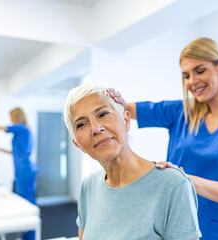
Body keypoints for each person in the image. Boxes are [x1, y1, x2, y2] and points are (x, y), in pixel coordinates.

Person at [107, 37, 218, 239]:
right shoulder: (180, 112)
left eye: (200, 71)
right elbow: (127, 109)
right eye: (186, 76)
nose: (192, 81)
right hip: (174, 225)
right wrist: (113, 100)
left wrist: (183, 179)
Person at [64, 83, 201, 240]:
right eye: (82, 124)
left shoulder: (173, 184)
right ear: (78, 144)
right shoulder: (88, 186)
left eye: (102, 114)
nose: (95, 128)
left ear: (126, 120)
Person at [0, 107, 37, 240]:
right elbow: (13, 152)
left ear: (16, 117)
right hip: (21, 169)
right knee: (24, 199)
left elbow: (2, 127)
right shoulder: (22, 131)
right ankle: (26, 234)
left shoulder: (21, 128)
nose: (10, 120)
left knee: (27, 202)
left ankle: (30, 235)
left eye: (11, 117)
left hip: (24, 169)